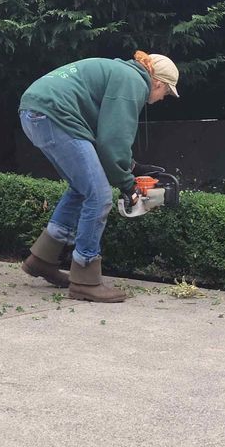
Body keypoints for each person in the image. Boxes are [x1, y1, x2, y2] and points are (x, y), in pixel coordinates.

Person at [18, 50, 179, 303]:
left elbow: (102, 135)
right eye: (166, 93)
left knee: (82, 188)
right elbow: (112, 141)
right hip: (54, 114)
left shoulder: (121, 73)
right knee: (100, 196)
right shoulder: (134, 82)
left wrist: (133, 167)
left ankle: (42, 259)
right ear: (157, 82)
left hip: (36, 112)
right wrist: (128, 185)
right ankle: (85, 279)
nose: (161, 99)